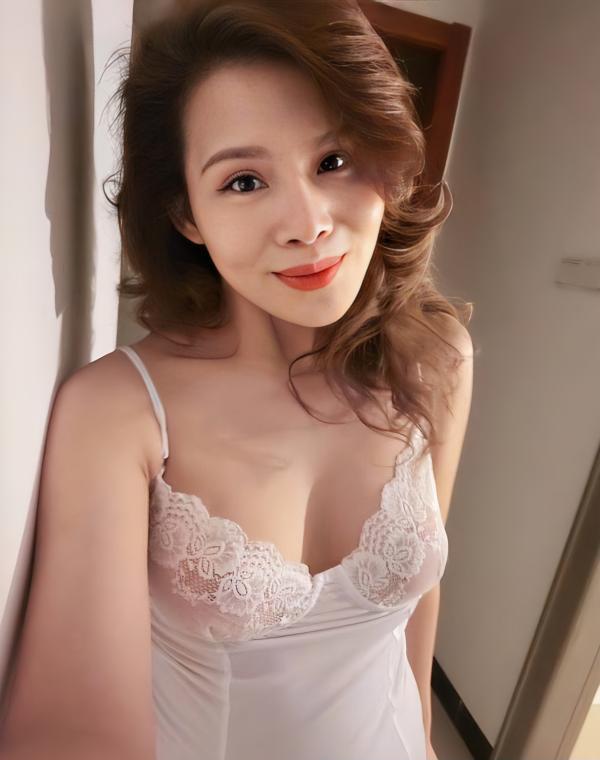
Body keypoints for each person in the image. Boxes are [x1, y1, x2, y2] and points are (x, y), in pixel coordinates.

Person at [0, 1, 474, 758]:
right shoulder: (120, 411)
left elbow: (419, 607)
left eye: (334, 161)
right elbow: (72, 729)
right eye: (245, 181)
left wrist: (422, 734)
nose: (308, 224)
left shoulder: (437, 357)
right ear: (186, 213)